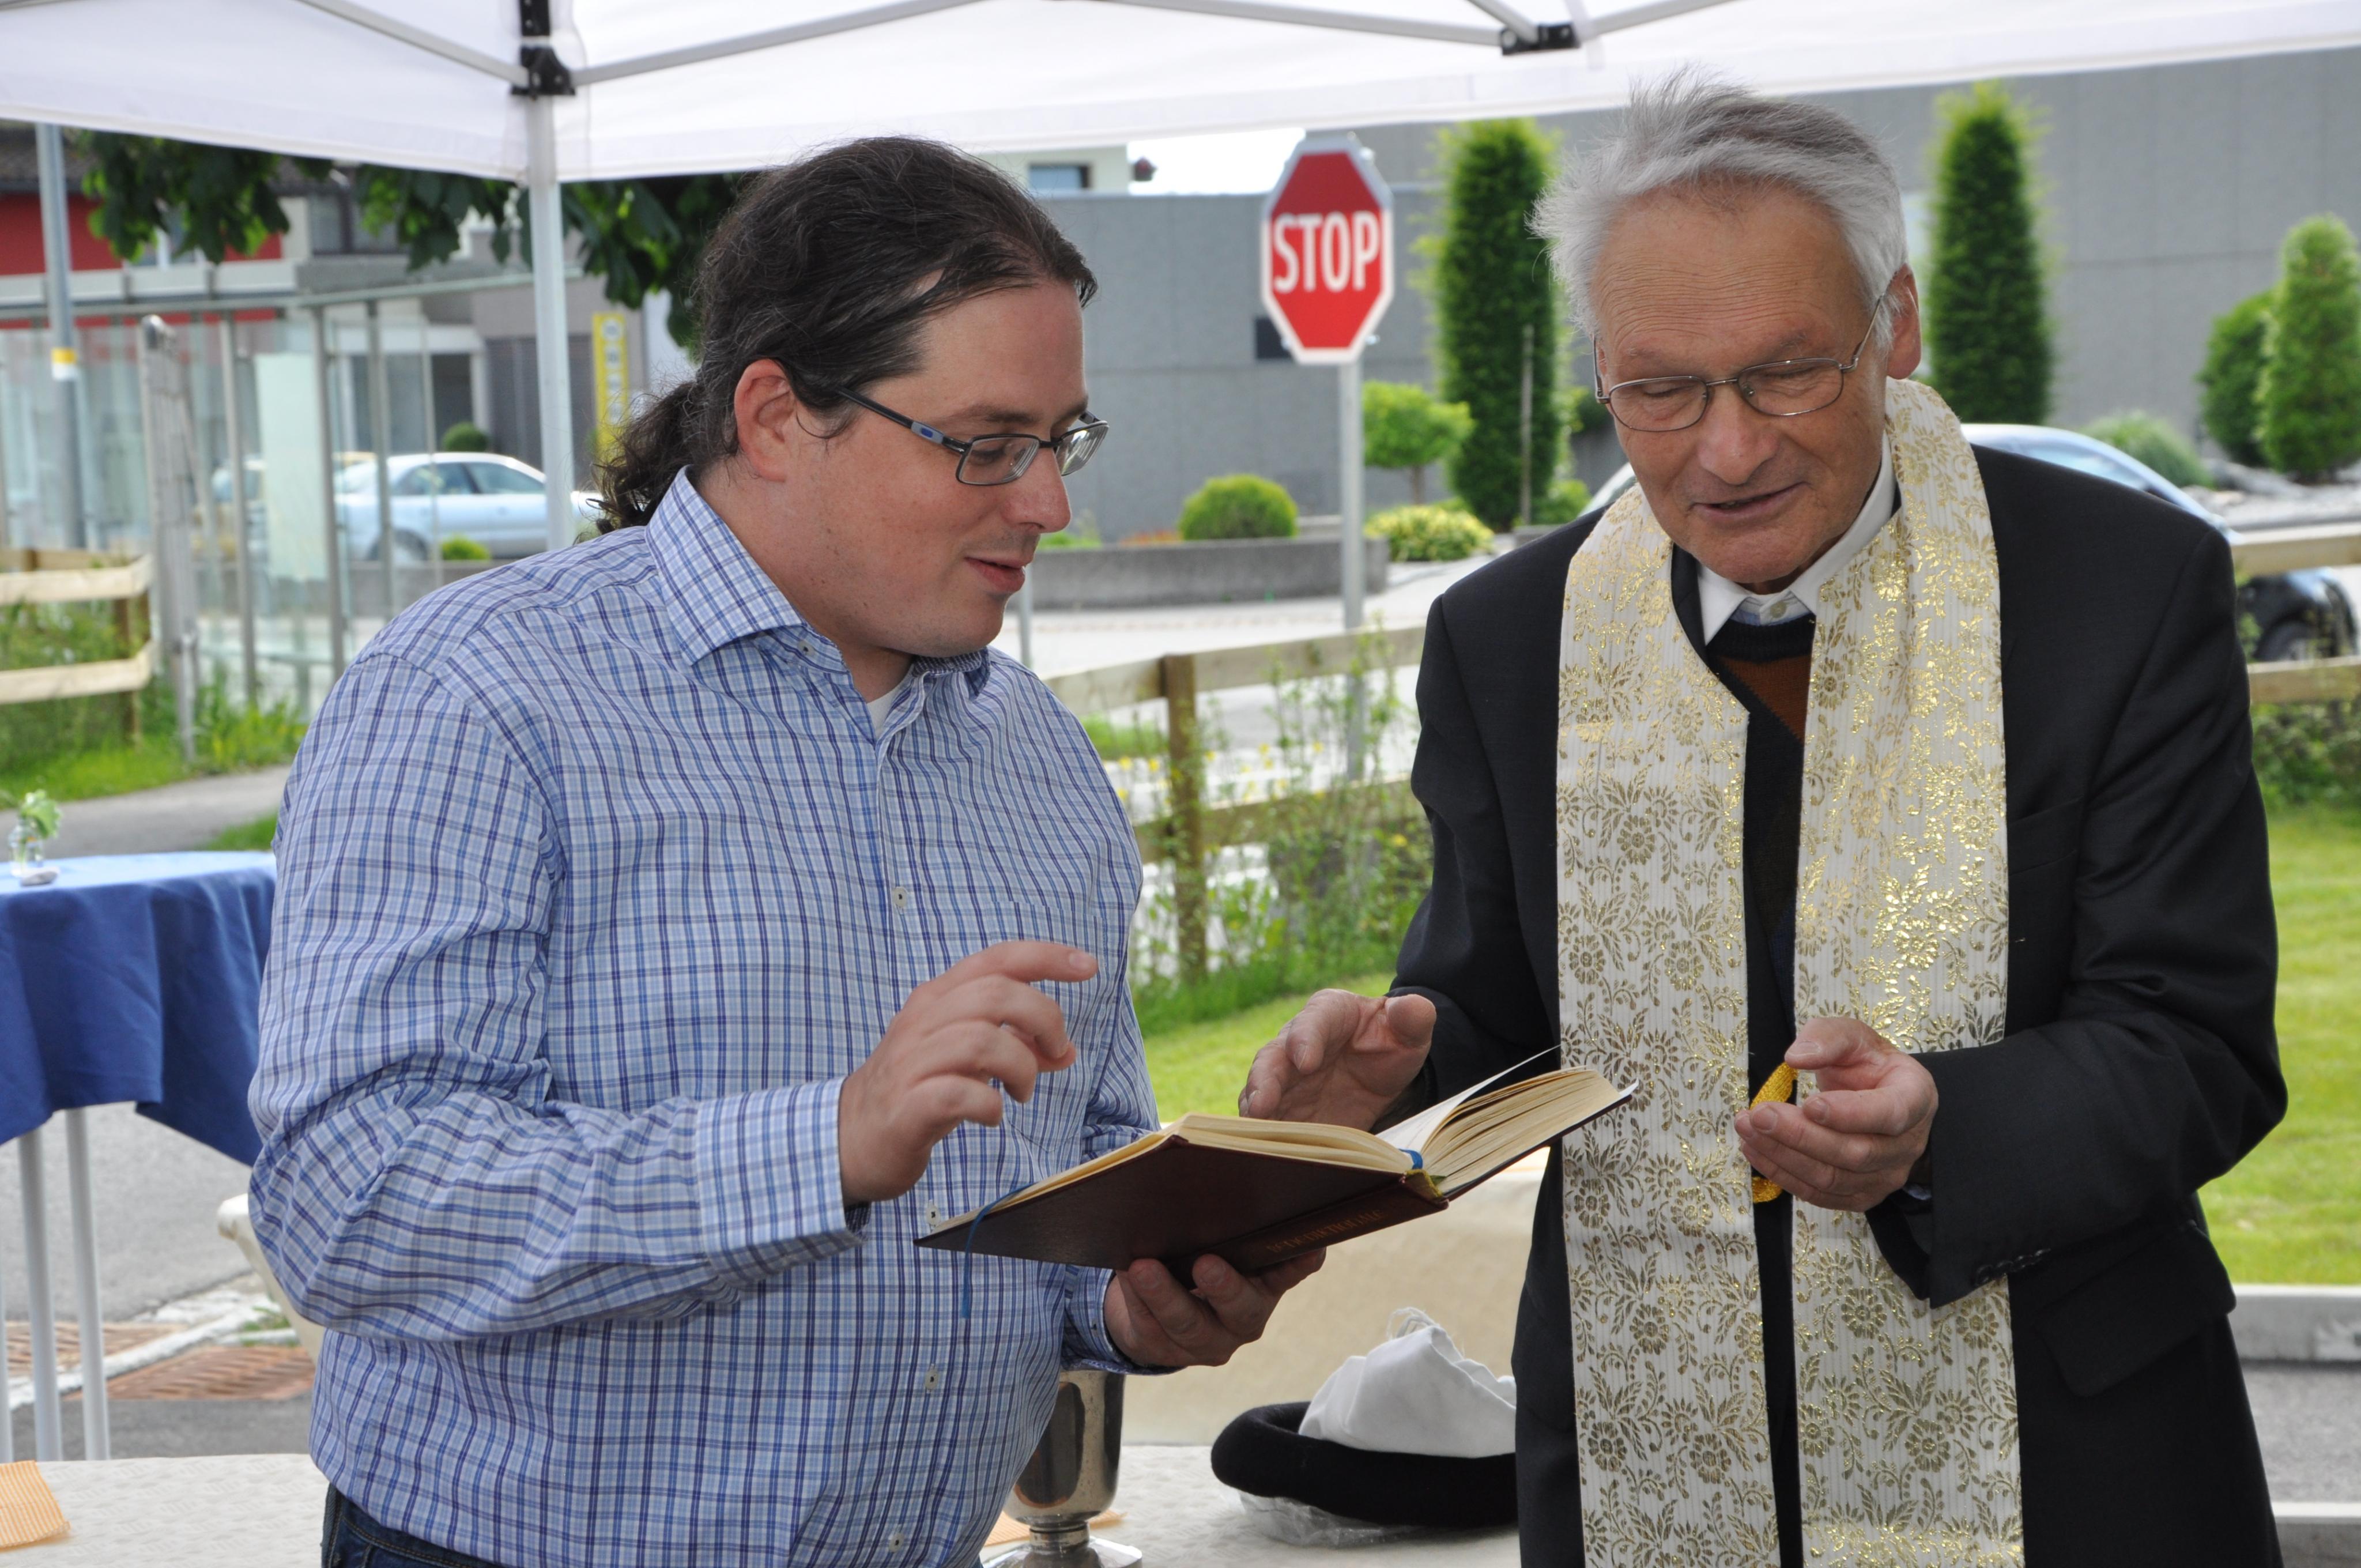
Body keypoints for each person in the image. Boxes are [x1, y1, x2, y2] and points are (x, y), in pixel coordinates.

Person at [1241, 77, 2283, 1566]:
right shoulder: (1508, 637)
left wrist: (1943, 1129)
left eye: (1786, 373)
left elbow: (2195, 1042)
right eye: (1658, 392)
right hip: (1648, 1451)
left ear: (1894, 326)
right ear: (1601, 370)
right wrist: (1391, 1080)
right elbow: (1500, 1008)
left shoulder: (2120, 589)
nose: (1725, 452)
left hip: (2070, 1461)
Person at [250, 137, 1319, 1568]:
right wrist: (824, 1145)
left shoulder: (1037, 754)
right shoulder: (482, 691)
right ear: (773, 416)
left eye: (1059, 442)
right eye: (984, 442)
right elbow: (347, 1200)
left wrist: (1160, 1276)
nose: (1045, 505)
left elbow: (1063, 1192)